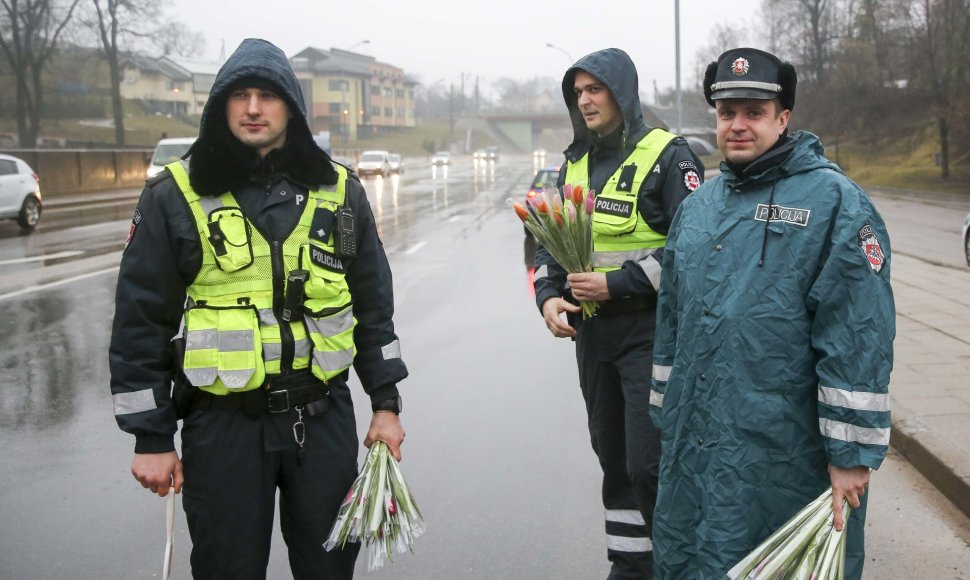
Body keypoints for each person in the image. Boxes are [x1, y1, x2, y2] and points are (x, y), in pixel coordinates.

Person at [109, 38, 408, 579]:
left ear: (289, 106)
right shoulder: (174, 195)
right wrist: (152, 438)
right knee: (227, 569)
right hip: (224, 428)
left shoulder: (340, 192)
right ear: (220, 105)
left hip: (322, 422)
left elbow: (373, 308)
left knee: (329, 569)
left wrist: (385, 403)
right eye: (240, 95)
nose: (252, 108)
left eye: (267, 96)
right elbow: (140, 321)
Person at [649, 47, 895, 579]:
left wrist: (850, 452)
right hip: (697, 447)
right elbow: (671, 320)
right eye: (726, 113)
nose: (737, 125)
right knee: (695, 557)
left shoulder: (834, 203)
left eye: (754, 113)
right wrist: (665, 416)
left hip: (785, 454)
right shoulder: (697, 209)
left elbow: (857, 333)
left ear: (783, 119)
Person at [534, 47, 704, 579]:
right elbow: (546, 242)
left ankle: (676, 564)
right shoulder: (573, 161)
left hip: (650, 333)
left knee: (648, 463)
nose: (584, 100)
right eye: (577, 92)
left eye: (594, 89)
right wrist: (549, 296)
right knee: (612, 459)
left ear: (621, 93)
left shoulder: (669, 156)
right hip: (593, 337)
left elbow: (690, 249)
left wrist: (617, 283)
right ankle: (632, 565)